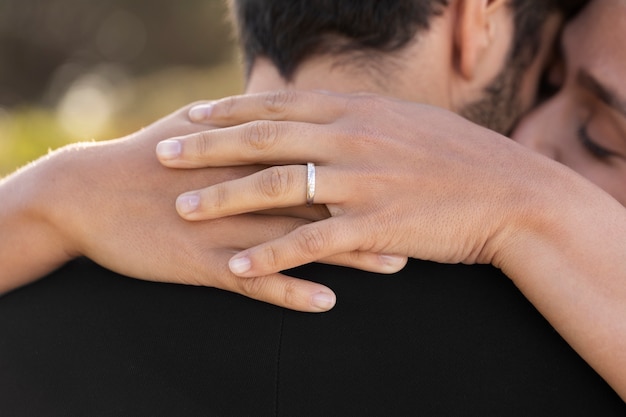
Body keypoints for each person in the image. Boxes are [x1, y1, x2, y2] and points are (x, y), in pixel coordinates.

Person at [2, 0, 625, 415]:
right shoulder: (589, 344)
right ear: (477, 22)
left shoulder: (29, 292)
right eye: (545, 73)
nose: (535, 141)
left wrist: (47, 197)